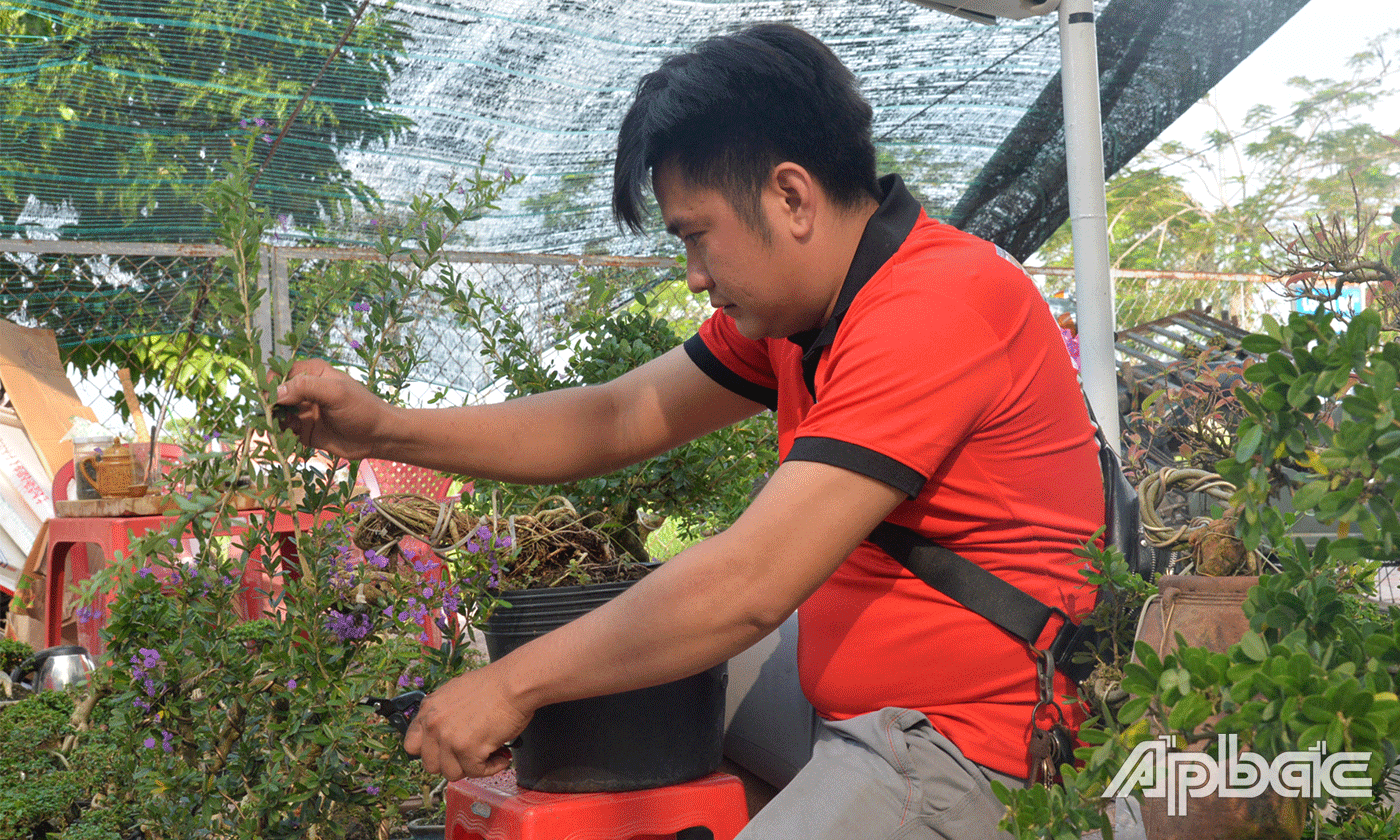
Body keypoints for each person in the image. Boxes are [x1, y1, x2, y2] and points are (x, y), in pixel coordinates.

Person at [276, 22, 1103, 840]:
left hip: (968, 747)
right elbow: (615, 416)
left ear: (790, 196)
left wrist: (513, 685)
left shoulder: (934, 307)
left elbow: (750, 585)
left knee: (593, 678)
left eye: (696, 235)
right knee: (606, 701)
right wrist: (384, 429)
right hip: (850, 700)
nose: (694, 275)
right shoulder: (804, 313)